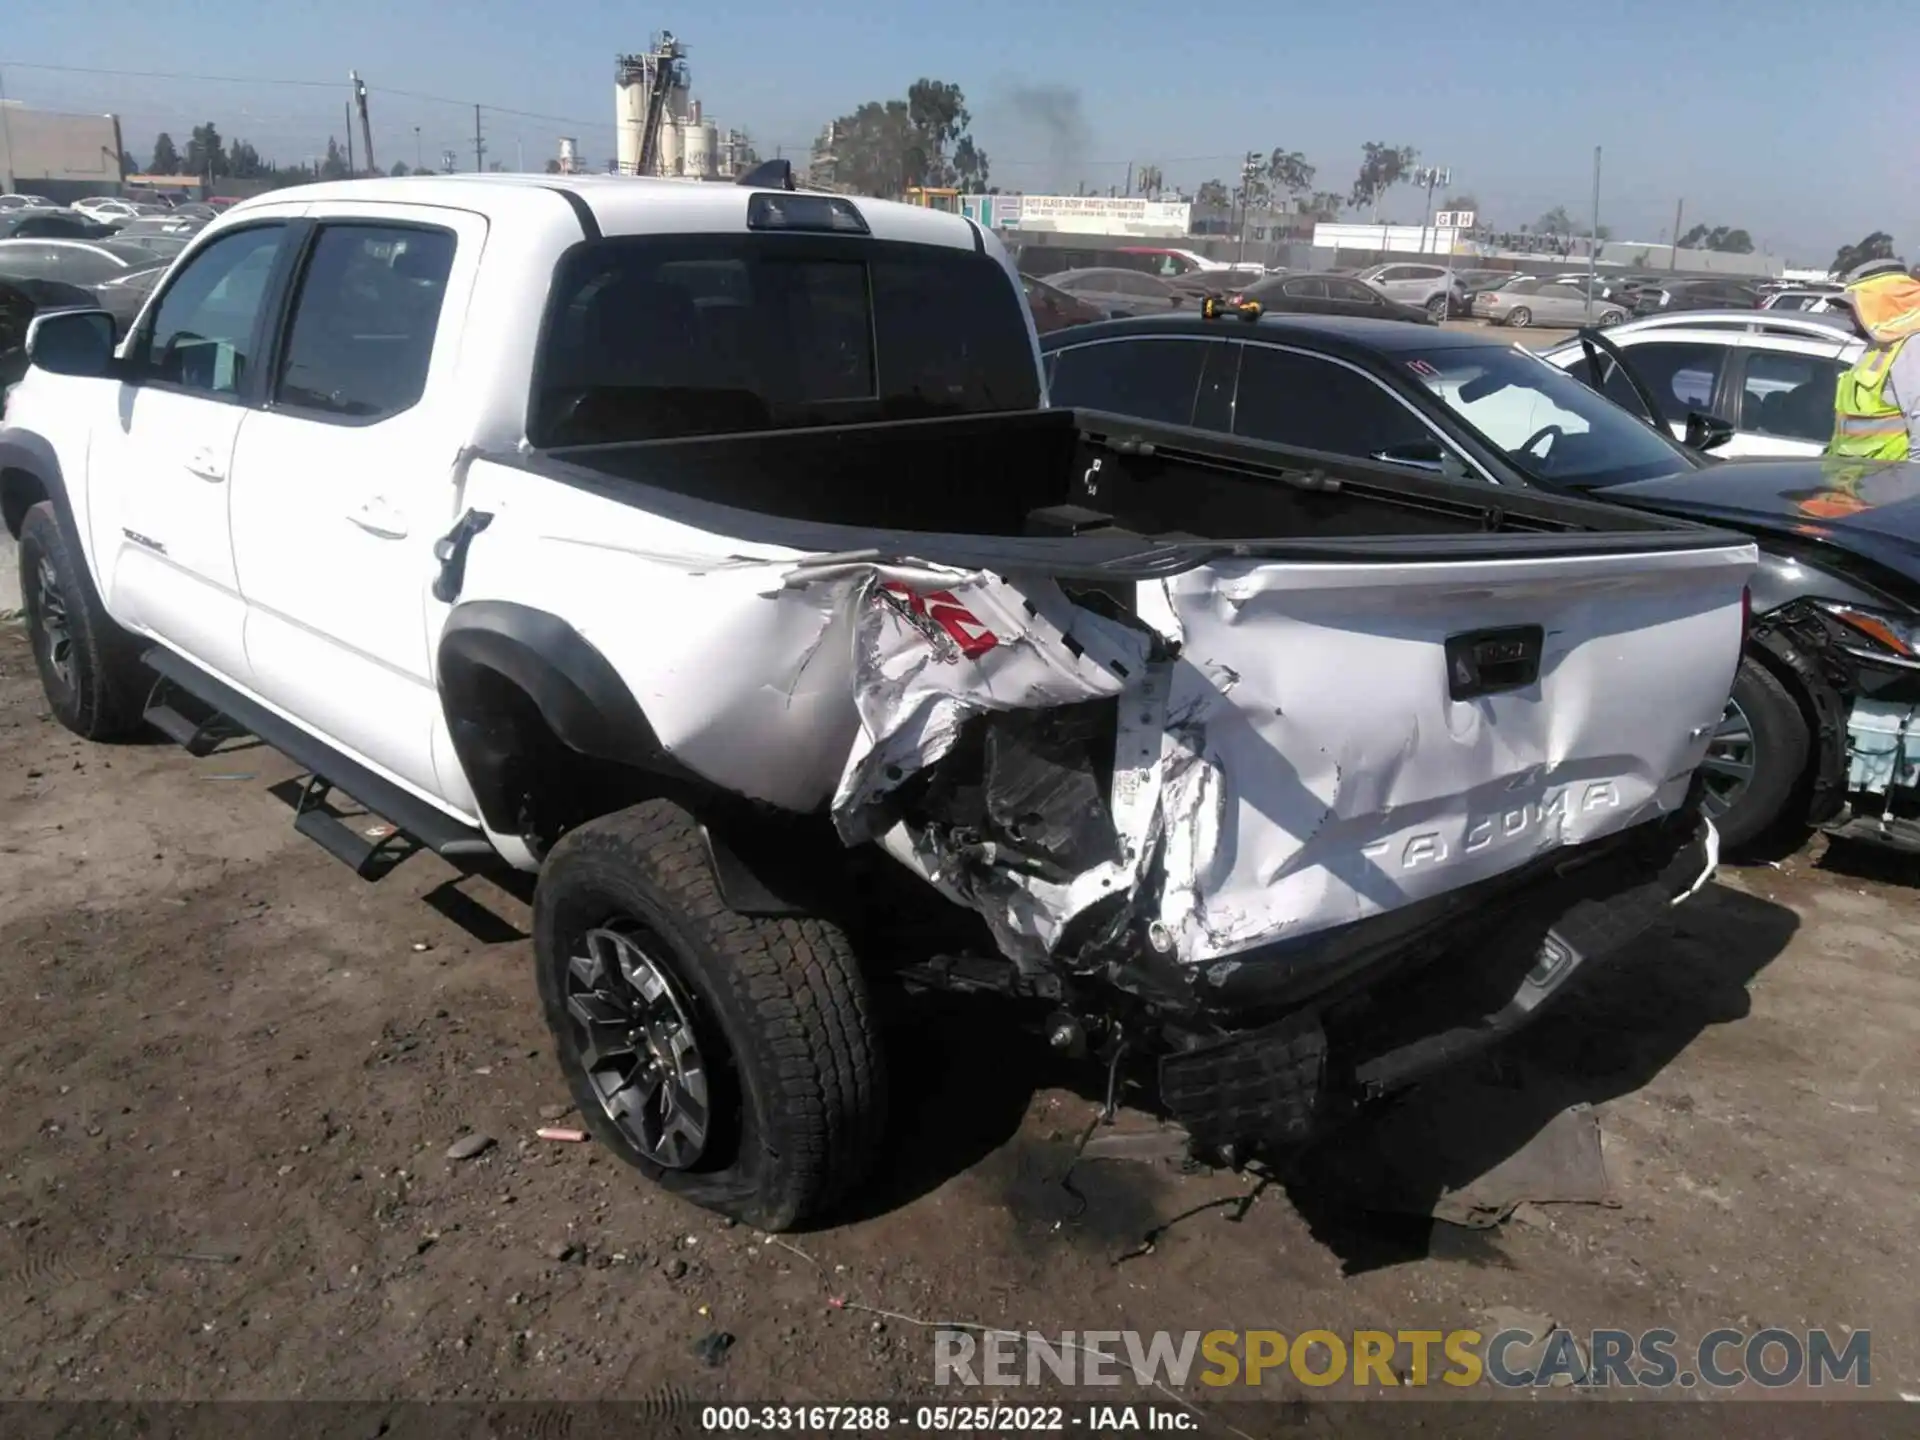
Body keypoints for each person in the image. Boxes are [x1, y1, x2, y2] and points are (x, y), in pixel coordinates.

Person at [1830, 258, 1920, 459]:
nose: (1849, 313)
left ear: (1880, 302)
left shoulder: (1913, 347)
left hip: (1889, 484)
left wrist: (1912, 485)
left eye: (1854, 304)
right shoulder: (1878, 345)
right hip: (1855, 481)